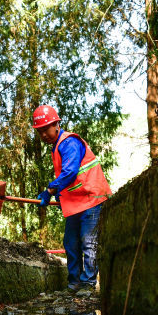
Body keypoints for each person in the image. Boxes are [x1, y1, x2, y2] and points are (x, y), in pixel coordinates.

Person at [32, 105, 112, 295]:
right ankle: (74, 284)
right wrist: (60, 196)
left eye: (46, 128)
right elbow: (69, 179)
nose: (43, 134)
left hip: (92, 198)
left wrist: (50, 190)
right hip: (76, 203)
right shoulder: (57, 147)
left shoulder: (69, 142)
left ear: (57, 124)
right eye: (40, 131)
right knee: (70, 243)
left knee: (88, 242)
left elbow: (70, 171)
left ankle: (88, 285)